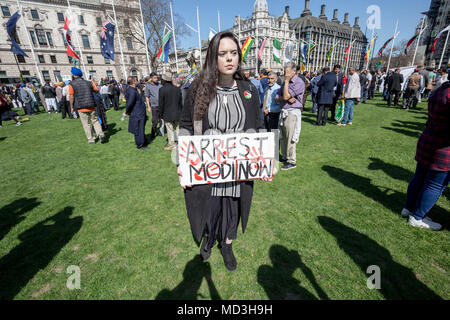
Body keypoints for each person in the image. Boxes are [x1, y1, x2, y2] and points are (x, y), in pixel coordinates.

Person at [179, 31, 269, 272]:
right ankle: (209, 239)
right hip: (208, 166)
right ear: (213, 57)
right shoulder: (198, 89)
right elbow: (186, 127)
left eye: (233, 53)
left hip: (238, 167)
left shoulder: (249, 90)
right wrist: (182, 164)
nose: (229, 58)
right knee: (210, 206)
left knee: (232, 206)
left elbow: (258, 127)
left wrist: (263, 160)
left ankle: (227, 245)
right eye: (222, 54)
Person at [401, 81, 449, 231]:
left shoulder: (441, 89)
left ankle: (409, 208)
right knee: (435, 184)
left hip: (429, 139)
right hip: (443, 145)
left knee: (420, 177)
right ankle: (417, 216)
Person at [277, 62, 305, 170]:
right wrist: (287, 97)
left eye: (288, 72)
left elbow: (284, 96)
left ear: (294, 71)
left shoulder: (299, 82)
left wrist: (287, 83)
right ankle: (285, 156)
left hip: (292, 113)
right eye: (285, 72)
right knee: (283, 137)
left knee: (291, 137)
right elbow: (278, 96)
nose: (286, 74)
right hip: (284, 111)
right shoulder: (285, 82)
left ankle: (292, 161)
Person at [68, 67, 105, 144]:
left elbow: (71, 96)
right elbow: (97, 90)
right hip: (91, 105)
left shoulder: (72, 84)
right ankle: (100, 134)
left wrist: (71, 107)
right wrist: (92, 82)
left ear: (74, 75)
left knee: (86, 124)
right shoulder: (88, 82)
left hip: (81, 107)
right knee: (95, 121)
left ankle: (91, 139)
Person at [159, 71, 182, 151]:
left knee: (170, 130)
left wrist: (160, 115)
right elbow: (180, 102)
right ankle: (180, 144)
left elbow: (161, 104)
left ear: (164, 80)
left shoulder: (162, 90)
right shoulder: (177, 89)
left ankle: (172, 145)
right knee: (178, 129)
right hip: (177, 112)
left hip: (167, 113)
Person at [125, 76, 148, 150]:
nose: (138, 81)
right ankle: (140, 144)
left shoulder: (133, 89)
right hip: (137, 113)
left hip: (139, 112)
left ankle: (142, 141)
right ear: (133, 82)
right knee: (139, 128)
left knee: (140, 128)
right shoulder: (131, 91)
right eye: (136, 80)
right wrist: (127, 112)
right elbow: (130, 103)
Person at [145, 72, 164, 139]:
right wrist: (148, 107)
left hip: (161, 106)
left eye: (157, 78)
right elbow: (147, 97)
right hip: (154, 106)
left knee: (162, 120)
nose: (156, 79)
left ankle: (161, 132)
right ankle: (152, 133)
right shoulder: (148, 85)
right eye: (155, 78)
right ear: (151, 78)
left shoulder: (160, 85)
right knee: (155, 121)